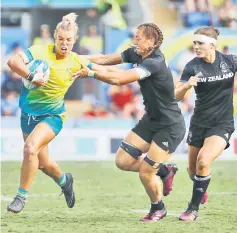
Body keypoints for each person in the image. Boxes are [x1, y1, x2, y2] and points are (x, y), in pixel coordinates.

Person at [72, 23, 186, 222]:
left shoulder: (154, 62)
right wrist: (73, 58)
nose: (135, 40)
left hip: (170, 125)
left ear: (151, 42)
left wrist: (90, 72)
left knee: (145, 172)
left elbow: (119, 79)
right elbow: (105, 59)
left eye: (139, 37)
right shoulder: (137, 53)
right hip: (151, 120)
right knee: (122, 160)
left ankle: (158, 208)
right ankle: (165, 170)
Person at [6, 13, 91, 213]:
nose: (64, 43)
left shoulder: (76, 60)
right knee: (43, 164)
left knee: (30, 148)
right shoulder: (38, 51)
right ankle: (65, 181)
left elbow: (101, 60)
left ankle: (21, 196)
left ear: (74, 41)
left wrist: (126, 57)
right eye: (61, 39)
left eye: (69, 40)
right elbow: (12, 62)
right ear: (55, 37)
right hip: (28, 114)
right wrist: (30, 76)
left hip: (53, 116)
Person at [175, 26, 237, 221]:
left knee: (203, 162)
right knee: (193, 170)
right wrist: (186, 86)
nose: (196, 46)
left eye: (200, 43)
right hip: (199, 123)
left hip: (223, 123)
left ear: (212, 44)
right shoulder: (192, 66)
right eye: (194, 43)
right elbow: (176, 96)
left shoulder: (230, 61)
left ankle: (191, 209)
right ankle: (201, 186)